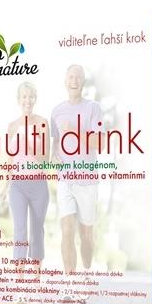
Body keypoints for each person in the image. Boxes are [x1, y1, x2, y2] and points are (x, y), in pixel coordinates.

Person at [51, 64, 105, 274]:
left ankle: (87, 269)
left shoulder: (93, 108)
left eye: (78, 77)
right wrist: (53, 158)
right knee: (67, 230)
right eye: (71, 77)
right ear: (65, 81)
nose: (74, 81)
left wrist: (73, 130)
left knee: (86, 236)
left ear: (83, 82)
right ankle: (70, 282)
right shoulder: (56, 111)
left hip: (87, 181)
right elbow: (56, 143)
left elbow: (99, 143)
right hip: (65, 179)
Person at [0, 82, 50, 280]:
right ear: (18, 100)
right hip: (18, 185)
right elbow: (10, 160)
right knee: (20, 230)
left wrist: (30, 145)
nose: (27, 100)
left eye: (31, 96)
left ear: (35, 99)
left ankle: (36, 281)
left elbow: (45, 159)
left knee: (37, 230)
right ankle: (20, 281)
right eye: (24, 97)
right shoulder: (12, 127)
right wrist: (5, 185)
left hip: (38, 184)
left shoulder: (42, 123)